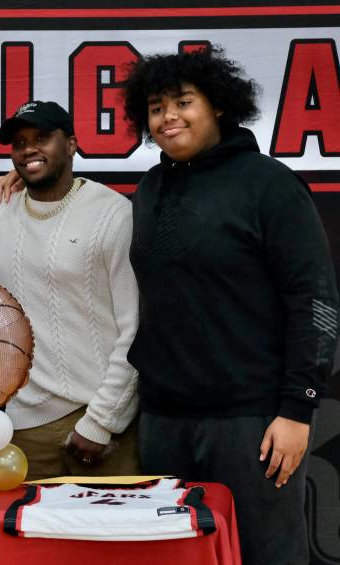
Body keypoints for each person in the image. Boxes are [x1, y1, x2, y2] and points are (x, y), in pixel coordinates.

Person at [122, 47, 338, 565]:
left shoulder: (269, 184)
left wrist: (296, 409)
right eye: (155, 107)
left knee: (266, 556)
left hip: (252, 423)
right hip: (163, 421)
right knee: (174, 558)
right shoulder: (150, 188)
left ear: (218, 105)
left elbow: (316, 303)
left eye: (183, 102)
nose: (168, 117)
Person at [0, 101, 140, 480]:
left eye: (43, 138)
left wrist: (101, 420)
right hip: (22, 428)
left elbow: (136, 328)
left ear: (72, 144)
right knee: (30, 538)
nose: (29, 148)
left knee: (112, 538)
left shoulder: (112, 213)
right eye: (19, 142)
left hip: (100, 424)